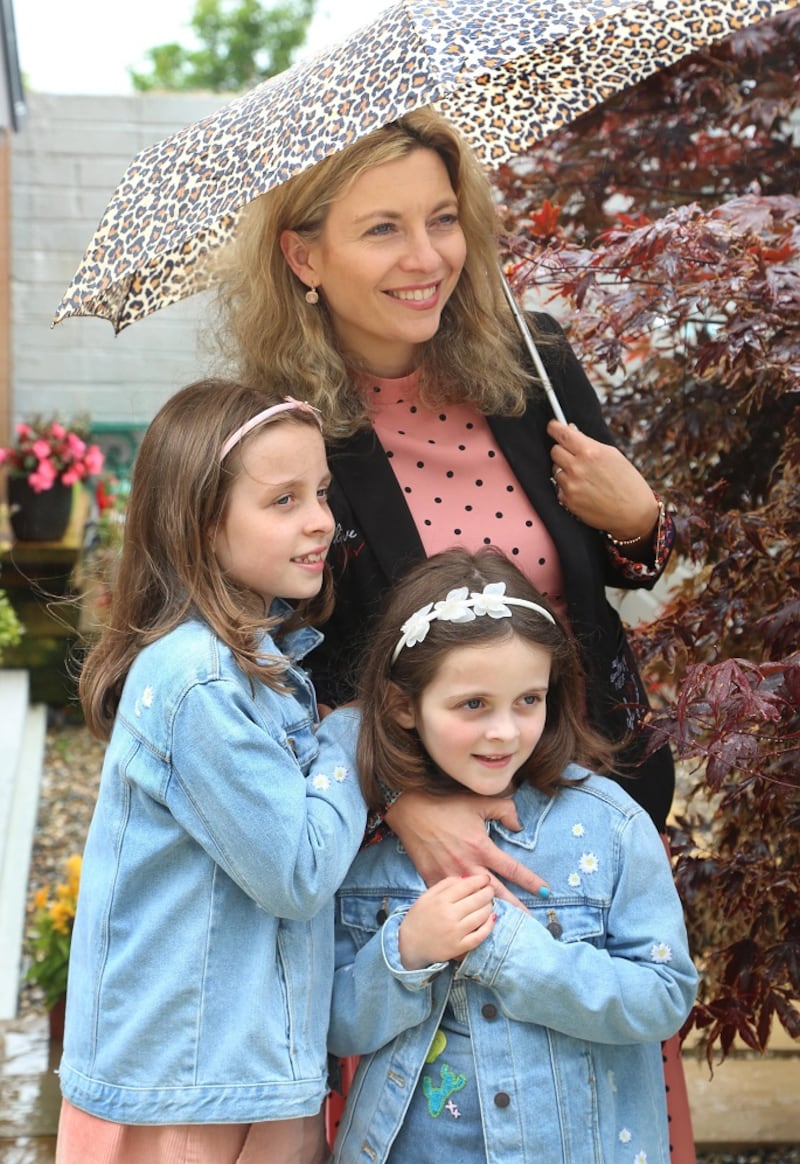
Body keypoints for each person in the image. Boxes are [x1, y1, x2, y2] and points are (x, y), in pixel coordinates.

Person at [213, 106, 694, 1157]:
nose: (425, 257)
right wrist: (397, 799)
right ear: (303, 253)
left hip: (585, 812)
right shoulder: (279, 433)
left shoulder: (533, 369)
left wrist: (639, 521)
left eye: (443, 218)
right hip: (412, 879)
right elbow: (260, 664)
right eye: (381, 228)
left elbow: (603, 577)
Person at [55, 380, 366, 1164]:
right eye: (284, 499)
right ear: (200, 522)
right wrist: (354, 742)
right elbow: (294, 870)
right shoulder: (199, 679)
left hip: (236, 1065)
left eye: (322, 491)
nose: (320, 520)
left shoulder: (247, 666)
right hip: (189, 1084)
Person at [328, 546, 697, 1163]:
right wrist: (405, 951)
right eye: (473, 704)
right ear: (401, 704)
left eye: (528, 699)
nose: (505, 730)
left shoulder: (609, 827)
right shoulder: (366, 845)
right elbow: (332, 1024)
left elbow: (664, 995)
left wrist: (523, 960)